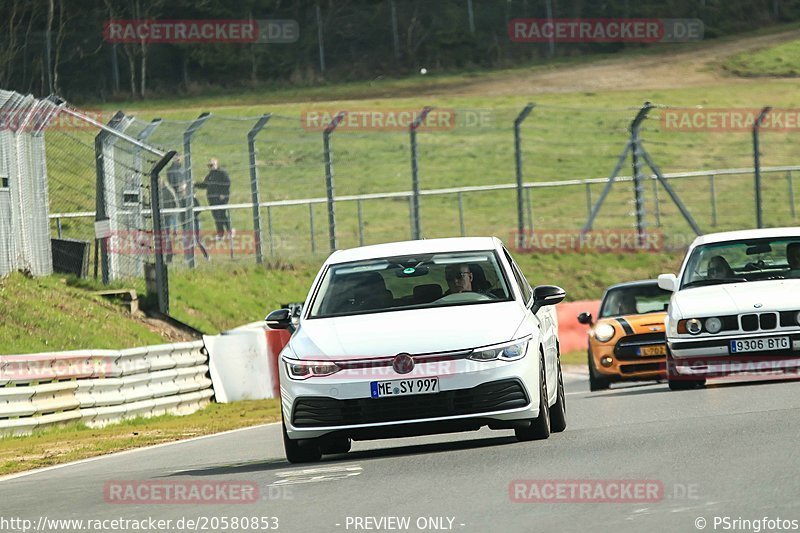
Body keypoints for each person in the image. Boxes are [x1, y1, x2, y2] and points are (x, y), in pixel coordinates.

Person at [195, 158, 232, 239]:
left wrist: (223, 193)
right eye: (209, 165)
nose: (210, 167)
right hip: (212, 199)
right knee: (216, 216)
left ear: (216, 164)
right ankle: (221, 233)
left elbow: (227, 183)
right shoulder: (210, 175)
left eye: (211, 165)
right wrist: (195, 184)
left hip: (221, 198)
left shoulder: (222, 172)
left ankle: (228, 232)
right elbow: (205, 185)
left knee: (221, 215)